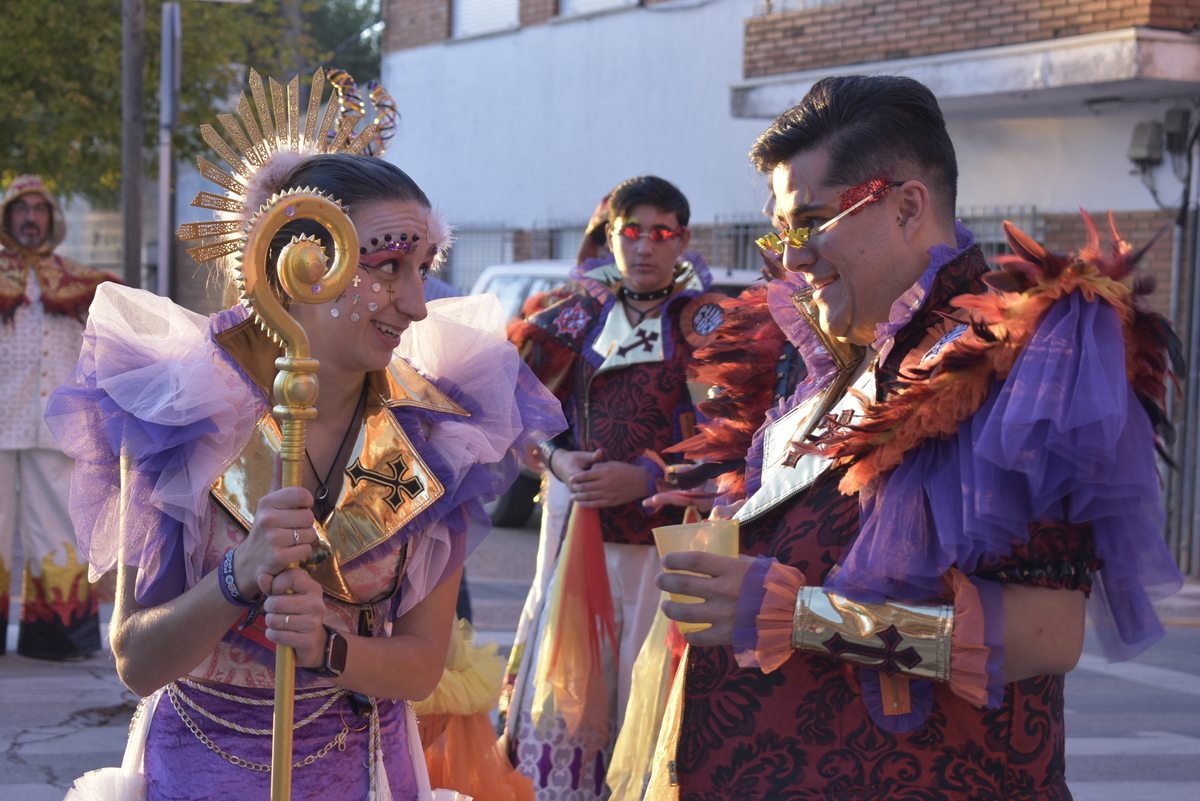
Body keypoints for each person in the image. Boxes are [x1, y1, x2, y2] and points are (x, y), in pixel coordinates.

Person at [649, 75, 1183, 799]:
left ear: (906, 206)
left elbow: (1050, 633)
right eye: (781, 230)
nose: (792, 256)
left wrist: (798, 615)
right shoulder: (813, 363)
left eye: (810, 222)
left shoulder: (1019, 358)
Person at [48, 84, 565, 798]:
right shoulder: (179, 415)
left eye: (423, 267)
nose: (417, 303)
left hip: (369, 773)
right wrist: (239, 575)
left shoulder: (441, 433)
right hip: (198, 770)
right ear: (295, 265)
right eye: (387, 267)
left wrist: (331, 647)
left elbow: (420, 665)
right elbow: (137, 659)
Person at [501, 176, 725, 800]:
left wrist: (651, 476)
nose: (646, 246)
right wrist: (556, 459)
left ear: (683, 239)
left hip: (662, 546)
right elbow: (520, 405)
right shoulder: (574, 312)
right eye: (632, 231)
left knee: (643, 688)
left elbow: (733, 434)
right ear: (611, 234)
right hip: (574, 536)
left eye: (662, 233)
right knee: (570, 684)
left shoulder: (706, 321)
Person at [0, 174, 114, 660]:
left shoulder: (82, 282)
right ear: (8, 217)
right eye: (22, 209)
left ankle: (58, 639)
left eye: (39, 209)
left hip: (54, 423)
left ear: (53, 218)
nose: (31, 218)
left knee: (56, 531)